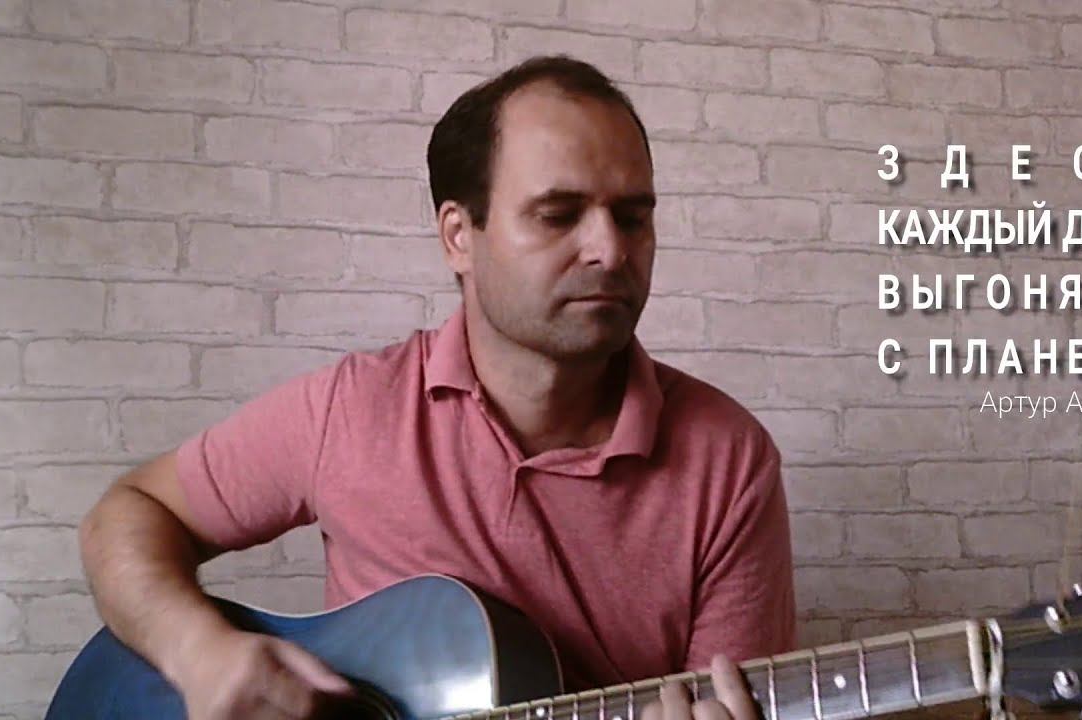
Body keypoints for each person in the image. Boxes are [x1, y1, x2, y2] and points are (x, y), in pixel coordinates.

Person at [79, 55, 795, 719]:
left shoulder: (729, 462)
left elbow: (730, 698)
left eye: (633, 217)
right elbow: (130, 511)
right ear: (459, 236)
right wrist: (197, 652)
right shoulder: (352, 410)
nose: (610, 250)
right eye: (558, 215)